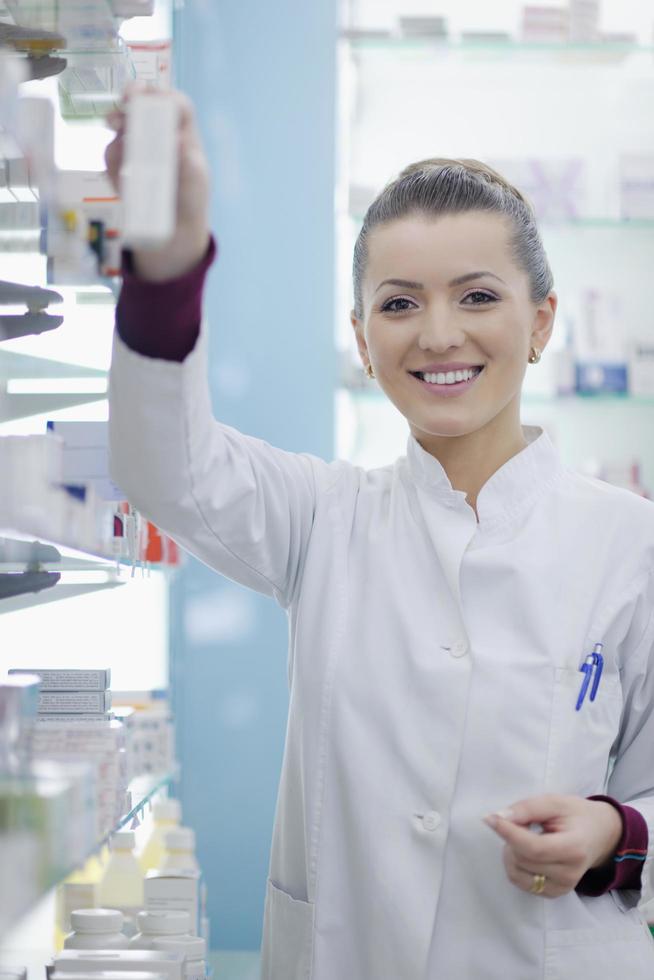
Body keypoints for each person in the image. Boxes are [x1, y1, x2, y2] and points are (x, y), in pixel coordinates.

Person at [106, 90, 654, 979]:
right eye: (399, 306)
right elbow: (165, 463)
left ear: (543, 321)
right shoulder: (322, 517)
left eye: (477, 295)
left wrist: (616, 832)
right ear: (362, 341)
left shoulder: (631, 543)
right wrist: (168, 269)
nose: (439, 334)